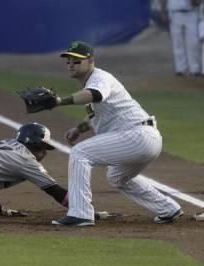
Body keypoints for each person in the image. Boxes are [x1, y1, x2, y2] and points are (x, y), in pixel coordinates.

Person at [42, 41, 182, 226]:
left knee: (80, 153)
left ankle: (80, 213)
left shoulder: (100, 78)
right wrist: (78, 129)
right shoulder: (92, 82)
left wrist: (60, 101)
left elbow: (94, 95)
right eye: (68, 61)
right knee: (116, 176)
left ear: (91, 61)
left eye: (76, 61)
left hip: (137, 136)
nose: (70, 64)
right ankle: (168, 208)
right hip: (143, 138)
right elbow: (96, 113)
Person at [160, 0, 202, 76]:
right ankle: (180, 68)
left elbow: (197, 3)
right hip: (174, 13)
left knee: (193, 42)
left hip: (191, 13)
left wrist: (196, 2)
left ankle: (195, 68)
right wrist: (163, 12)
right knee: (177, 42)